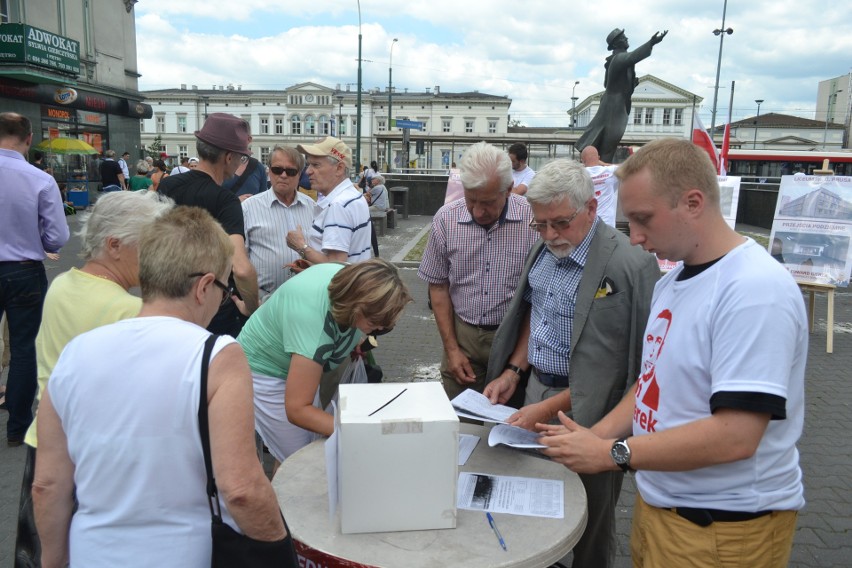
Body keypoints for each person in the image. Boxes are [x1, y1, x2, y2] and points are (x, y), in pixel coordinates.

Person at [538, 138, 807, 568]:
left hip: (724, 528)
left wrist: (612, 453)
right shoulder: (673, 282)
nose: (637, 237)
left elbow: (736, 435)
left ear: (693, 202)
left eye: (643, 219)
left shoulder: (755, 290)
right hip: (664, 508)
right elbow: (650, 383)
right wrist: (596, 436)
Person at [33, 206, 297, 568]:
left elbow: (47, 485)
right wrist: (281, 553)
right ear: (205, 286)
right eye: (224, 287)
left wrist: (54, 561)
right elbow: (241, 489)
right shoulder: (216, 355)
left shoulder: (75, 353)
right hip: (183, 553)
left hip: (91, 552)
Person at [483, 158, 659, 568]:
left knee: (588, 519)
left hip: (593, 410)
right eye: (540, 225)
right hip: (534, 392)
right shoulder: (544, 249)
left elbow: (635, 363)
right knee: (534, 505)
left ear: (592, 208)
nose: (550, 235)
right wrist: (513, 369)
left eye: (560, 223)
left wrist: (545, 407)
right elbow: (536, 311)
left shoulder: (630, 264)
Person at [14, 190, 172, 565]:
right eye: (148, 244)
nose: (154, 256)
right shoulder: (130, 310)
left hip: (44, 443)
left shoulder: (64, 284)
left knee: (38, 552)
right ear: (115, 245)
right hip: (91, 458)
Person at [238, 258, 412, 463]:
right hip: (266, 371)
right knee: (303, 460)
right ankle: (284, 493)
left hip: (298, 357)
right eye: (374, 324)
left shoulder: (352, 279)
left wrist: (352, 340)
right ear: (355, 306)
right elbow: (297, 410)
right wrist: (364, 431)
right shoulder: (313, 323)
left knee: (311, 443)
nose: (378, 330)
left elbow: (349, 324)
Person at [418, 141, 538, 403]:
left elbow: (539, 300)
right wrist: (452, 350)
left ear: (508, 190)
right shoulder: (446, 219)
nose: (477, 211)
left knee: (507, 429)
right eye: (471, 200)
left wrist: (516, 368)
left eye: (487, 203)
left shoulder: (532, 222)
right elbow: (438, 287)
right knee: (460, 426)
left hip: (513, 340)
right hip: (463, 337)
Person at [0, 112, 70, 448]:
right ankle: (17, 427)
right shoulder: (39, 179)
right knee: (26, 348)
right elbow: (57, 236)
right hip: (23, 269)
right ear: (29, 139)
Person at [158, 112, 260, 336]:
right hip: (212, 310)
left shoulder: (168, 186)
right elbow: (241, 268)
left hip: (169, 299)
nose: (241, 164)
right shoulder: (226, 201)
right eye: (241, 157)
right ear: (228, 157)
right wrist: (252, 307)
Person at [575, 28, 668, 163]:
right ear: (616, 43)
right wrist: (651, 43)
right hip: (613, 107)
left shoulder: (617, 60)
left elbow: (607, 83)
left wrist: (629, 86)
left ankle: (598, 167)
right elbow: (633, 56)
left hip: (615, 105)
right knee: (609, 143)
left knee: (607, 143)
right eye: (623, 38)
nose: (626, 39)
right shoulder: (619, 58)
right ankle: (601, 173)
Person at [242, 145, 319, 301]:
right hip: (264, 301)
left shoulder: (313, 207)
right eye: (277, 170)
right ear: (269, 171)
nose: (283, 175)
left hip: (306, 299)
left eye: (290, 171)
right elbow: (240, 259)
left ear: (299, 175)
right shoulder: (249, 207)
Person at [285, 136, 372, 265]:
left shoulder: (338, 205)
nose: (308, 171)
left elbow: (335, 266)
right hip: (354, 281)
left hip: (339, 285)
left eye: (315, 165)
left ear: (339, 168)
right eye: (308, 164)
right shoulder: (354, 196)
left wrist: (301, 246)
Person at [581, 146, 619, 227]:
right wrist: (605, 164)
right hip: (608, 225)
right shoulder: (610, 171)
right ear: (598, 158)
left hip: (588, 225)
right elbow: (629, 166)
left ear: (583, 160)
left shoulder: (579, 175)